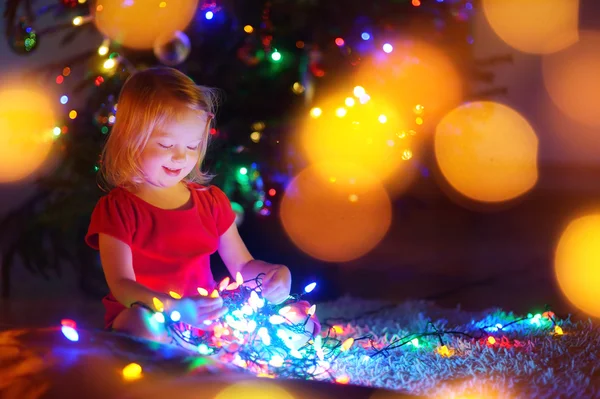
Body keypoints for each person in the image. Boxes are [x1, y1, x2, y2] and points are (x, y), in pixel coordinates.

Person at [85, 67, 292, 343]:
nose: (181, 157)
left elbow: (243, 266)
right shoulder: (118, 209)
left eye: (193, 146)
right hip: (151, 318)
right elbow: (122, 286)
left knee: (291, 319)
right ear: (132, 140)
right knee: (144, 325)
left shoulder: (211, 201)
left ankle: (201, 351)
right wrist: (173, 309)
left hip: (204, 318)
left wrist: (273, 275)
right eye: (167, 144)